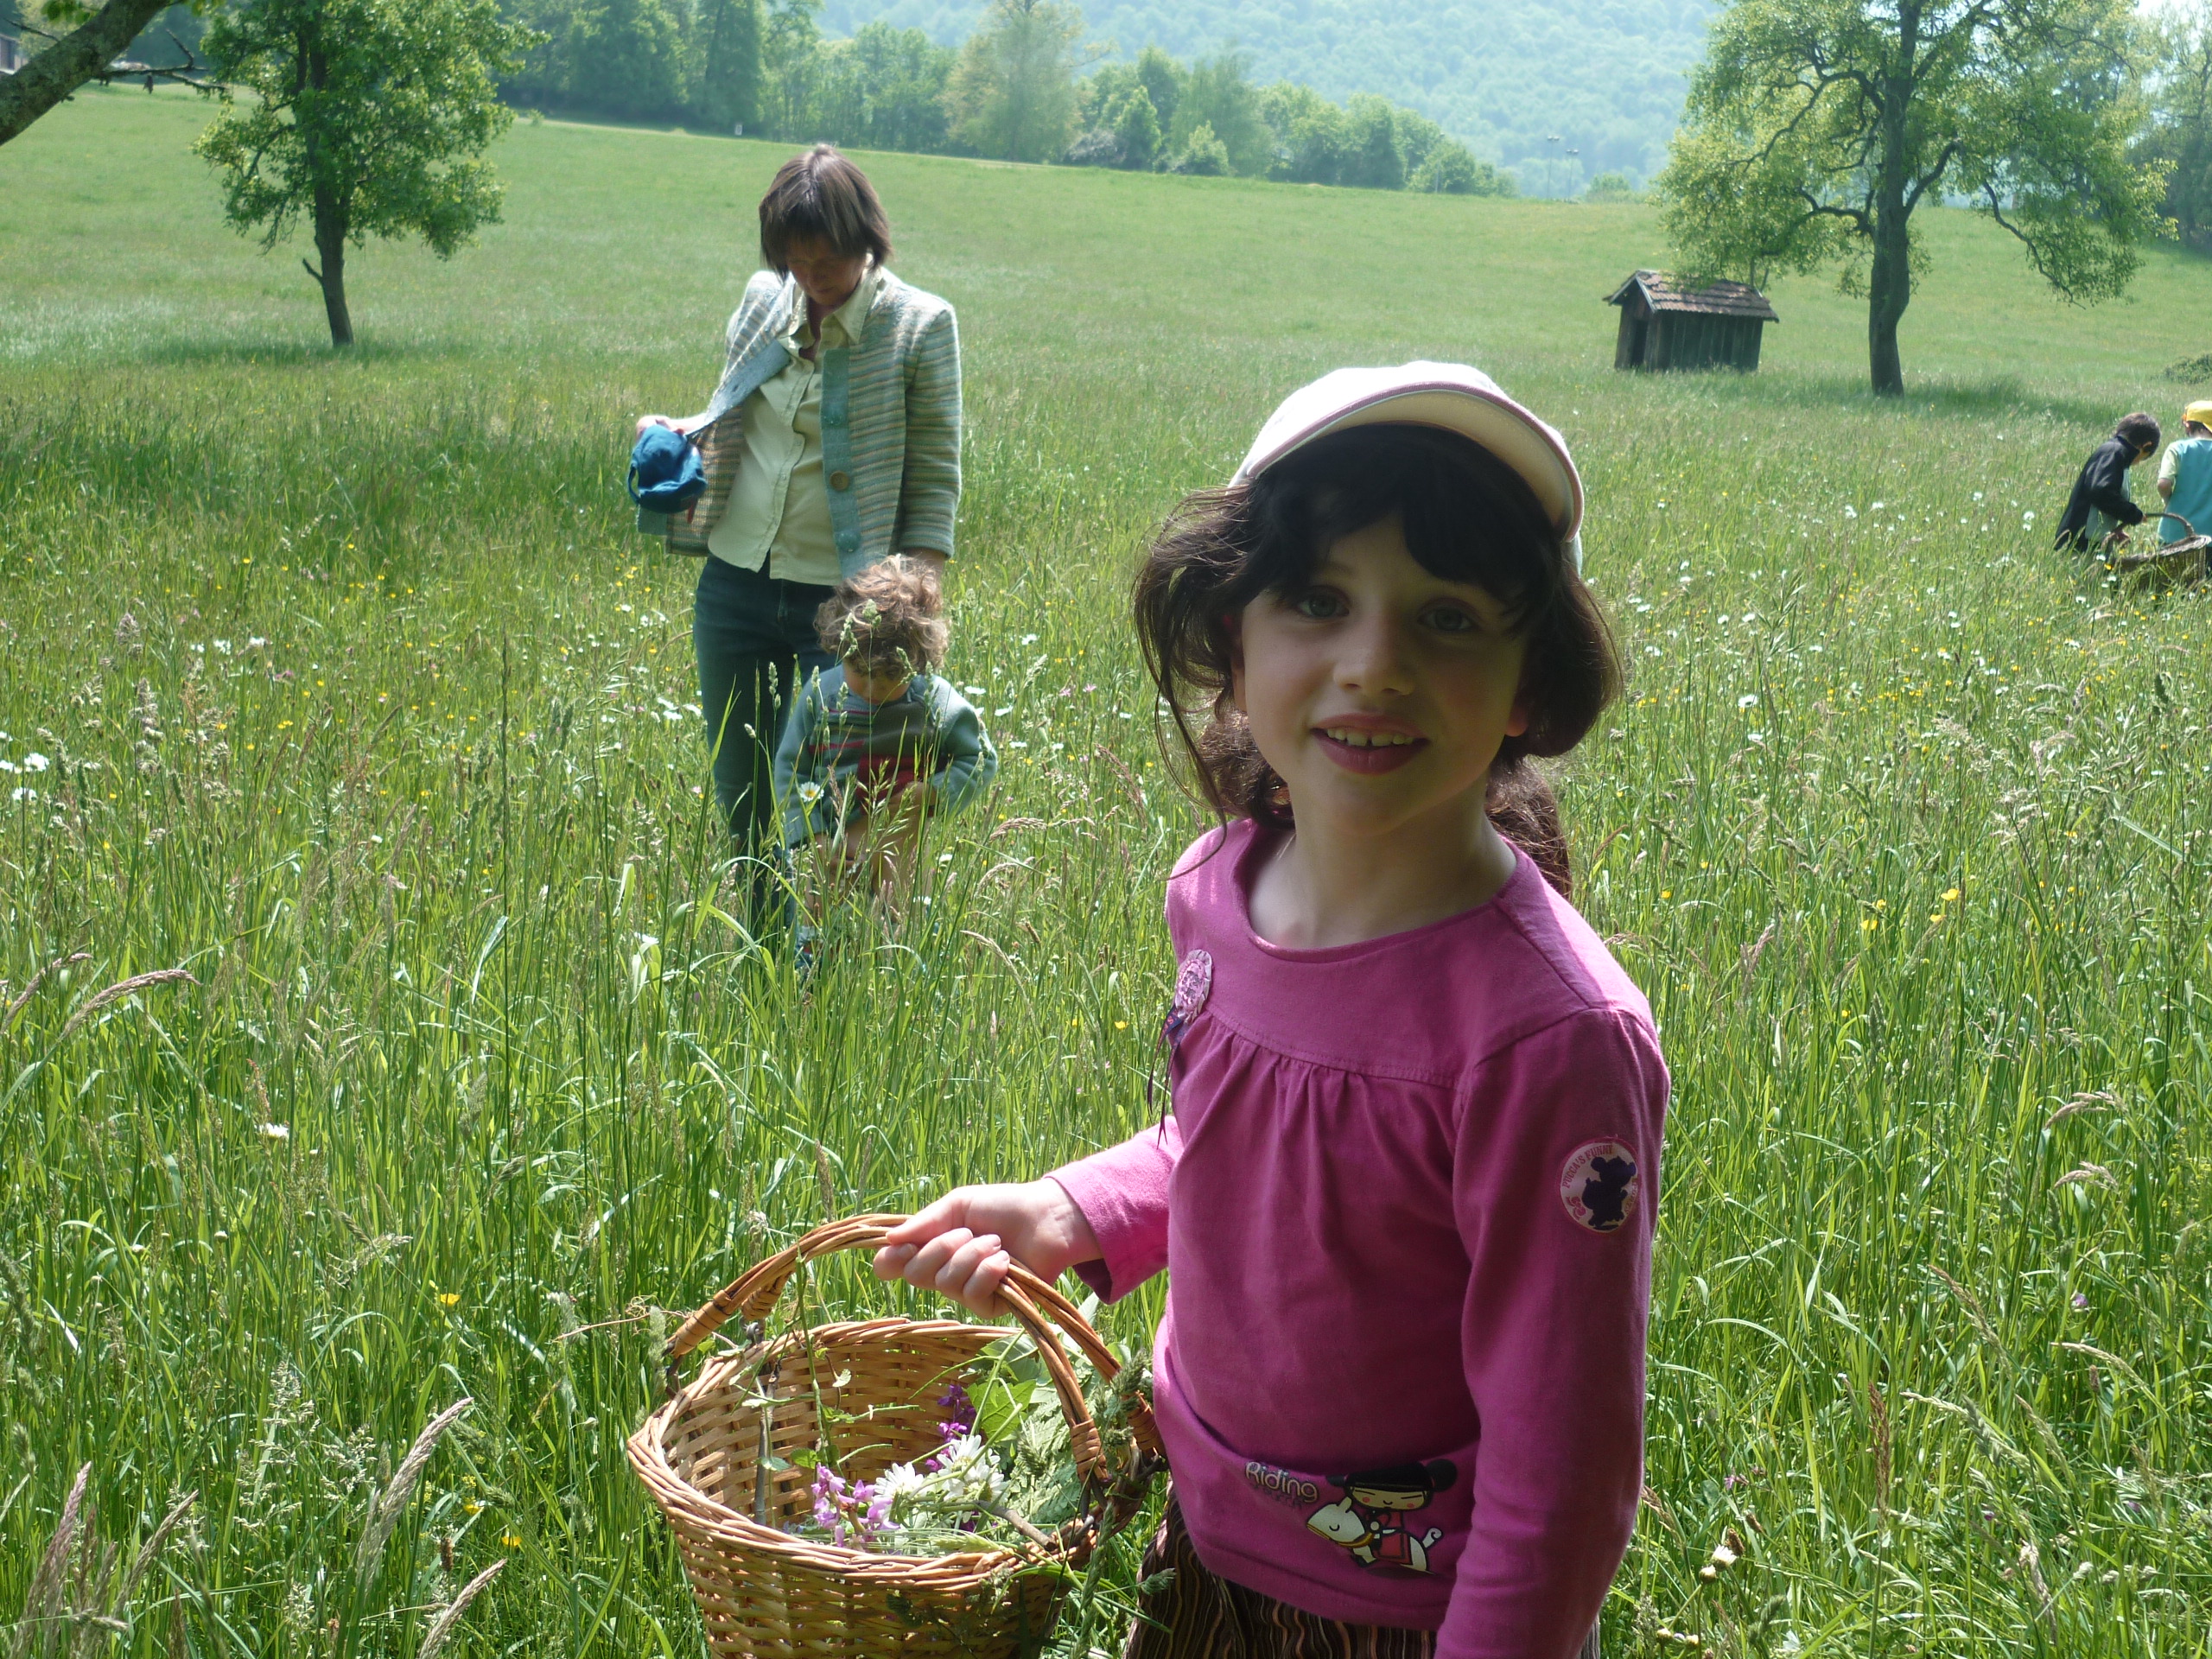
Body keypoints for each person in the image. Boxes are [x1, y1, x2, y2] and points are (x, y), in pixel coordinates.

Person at [874, 364, 1669, 1659]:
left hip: (1414, 1614)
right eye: (1317, 599)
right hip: (1203, 1553)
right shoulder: (1218, 892)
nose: (1375, 664)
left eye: (1451, 617)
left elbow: (1563, 1477)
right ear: (1233, 644)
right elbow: (1237, 1147)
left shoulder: (1550, 1042)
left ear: (1529, 684)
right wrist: (1072, 1212)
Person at [633, 143, 962, 900]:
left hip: (848, 609)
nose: (813, 280)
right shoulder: (763, 300)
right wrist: (675, 430)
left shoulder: (920, 326)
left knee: (846, 805)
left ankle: (843, 968)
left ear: (867, 243)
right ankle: (768, 959)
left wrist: (915, 601)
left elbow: (936, 475)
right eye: (797, 262)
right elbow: (735, 404)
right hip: (735, 587)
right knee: (745, 798)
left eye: (829, 264)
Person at [772, 556, 997, 917]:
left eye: (891, 676)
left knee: (898, 925)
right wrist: (810, 836)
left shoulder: (935, 703)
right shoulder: (821, 696)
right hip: (831, 842)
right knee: (819, 923)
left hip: (901, 843)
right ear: (839, 649)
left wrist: (934, 791)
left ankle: (899, 969)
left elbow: (981, 758)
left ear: (918, 662)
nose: (873, 687)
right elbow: (791, 769)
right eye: (860, 671)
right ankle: (815, 969)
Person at [2056, 412, 2159, 553]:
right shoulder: (2115, 453)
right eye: (2143, 458)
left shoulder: (2114, 452)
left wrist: (2112, 531)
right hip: (2080, 543)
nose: (2137, 463)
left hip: (2089, 540)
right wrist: (2133, 514)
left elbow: (2102, 501)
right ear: (2146, 446)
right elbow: (2101, 492)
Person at [2155, 401, 2212, 544]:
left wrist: (2169, 501)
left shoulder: (2177, 448)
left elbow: (2163, 484)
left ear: (2189, 425)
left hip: (2176, 532)